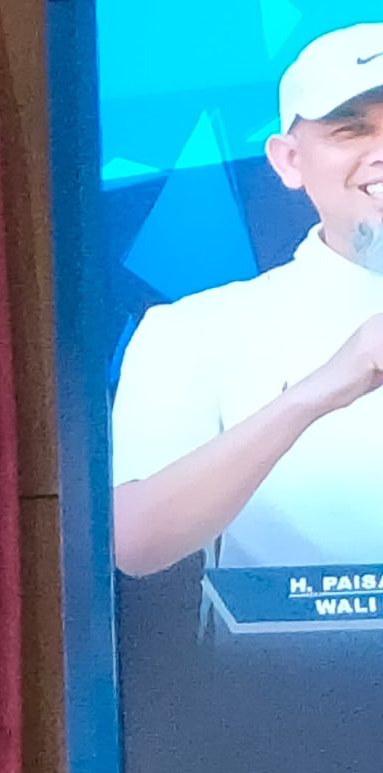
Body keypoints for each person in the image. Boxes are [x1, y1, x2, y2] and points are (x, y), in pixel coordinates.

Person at [112, 25, 383, 574]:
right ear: (289, 161)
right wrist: (317, 393)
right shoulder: (194, 329)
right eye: (350, 130)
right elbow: (134, 544)